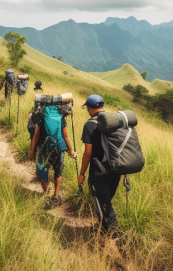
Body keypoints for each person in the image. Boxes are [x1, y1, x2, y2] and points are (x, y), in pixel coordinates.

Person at [77, 94, 120, 234]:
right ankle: (103, 230)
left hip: (99, 173)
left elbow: (88, 153)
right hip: (116, 170)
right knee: (106, 203)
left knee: (105, 207)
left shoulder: (89, 125)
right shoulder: (114, 121)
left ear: (90, 108)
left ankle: (119, 240)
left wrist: (82, 174)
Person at [29, 107, 76, 206]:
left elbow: (36, 135)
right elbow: (66, 135)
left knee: (41, 170)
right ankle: (56, 195)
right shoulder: (61, 117)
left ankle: (46, 193)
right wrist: (71, 150)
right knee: (58, 171)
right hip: (59, 147)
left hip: (44, 148)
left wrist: (32, 151)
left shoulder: (42, 116)